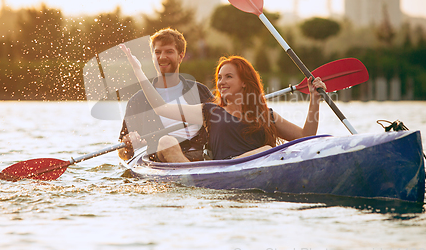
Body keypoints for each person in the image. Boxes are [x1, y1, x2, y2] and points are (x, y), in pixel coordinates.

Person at [120, 46, 327, 162]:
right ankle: (191, 182)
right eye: (220, 77)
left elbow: (305, 138)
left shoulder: (265, 114)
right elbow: (161, 108)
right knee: (165, 141)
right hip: (218, 172)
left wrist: (314, 100)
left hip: (256, 165)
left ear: (244, 83)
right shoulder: (211, 111)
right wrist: (138, 71)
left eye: (228, 77)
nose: (221, 82)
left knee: (264, 148)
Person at [117, 28, 214, 162]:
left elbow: (221, 128)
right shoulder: (137, 101)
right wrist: (128, 145)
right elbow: (123, 154)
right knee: (167, 142)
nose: (162, 57)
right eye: (157, 52)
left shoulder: (199, 91)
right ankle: (190, 177)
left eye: (169, 52)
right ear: (152, 57)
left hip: (203, 157)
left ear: (181, 56)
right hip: (161, 160)